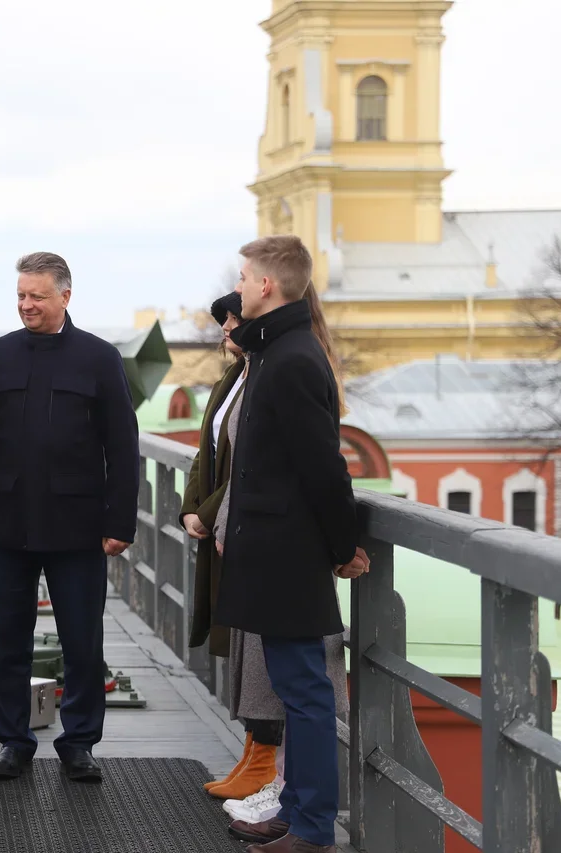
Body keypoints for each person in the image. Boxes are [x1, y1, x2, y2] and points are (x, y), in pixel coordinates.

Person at [0, 251, 140, 784]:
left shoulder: (100, 358)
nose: (26, 305)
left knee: (82, 641)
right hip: (9, 523)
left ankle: (79, 742)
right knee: (5, 638)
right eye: (21, 295)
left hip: (78, 525)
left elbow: (122, 448)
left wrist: (119, 522)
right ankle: (14, 742)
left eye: (37, 296)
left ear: (65, 295)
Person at [214, 235, 369, 853]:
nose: (242, 285)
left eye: (247, 276)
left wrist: (343, 545)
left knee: (305, 697)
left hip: (288, 558)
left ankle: (311, 829)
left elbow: (322, 468)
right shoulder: (279, 352)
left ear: (267, 286)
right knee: (297, 691)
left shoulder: (294, 359)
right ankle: (300, 816)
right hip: (274, 554)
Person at [179, 290, 286, 800]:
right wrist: (188, 507)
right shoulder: (233, 377)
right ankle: (252, 753)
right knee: (241, 641)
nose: (225, 332)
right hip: (226, 527)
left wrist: (206, 514)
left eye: (232, 322)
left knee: (257, 643)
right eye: (223, 324)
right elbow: (207, 449)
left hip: (245, 528)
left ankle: (263, 758)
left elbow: (251, 461)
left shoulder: (268, 375)